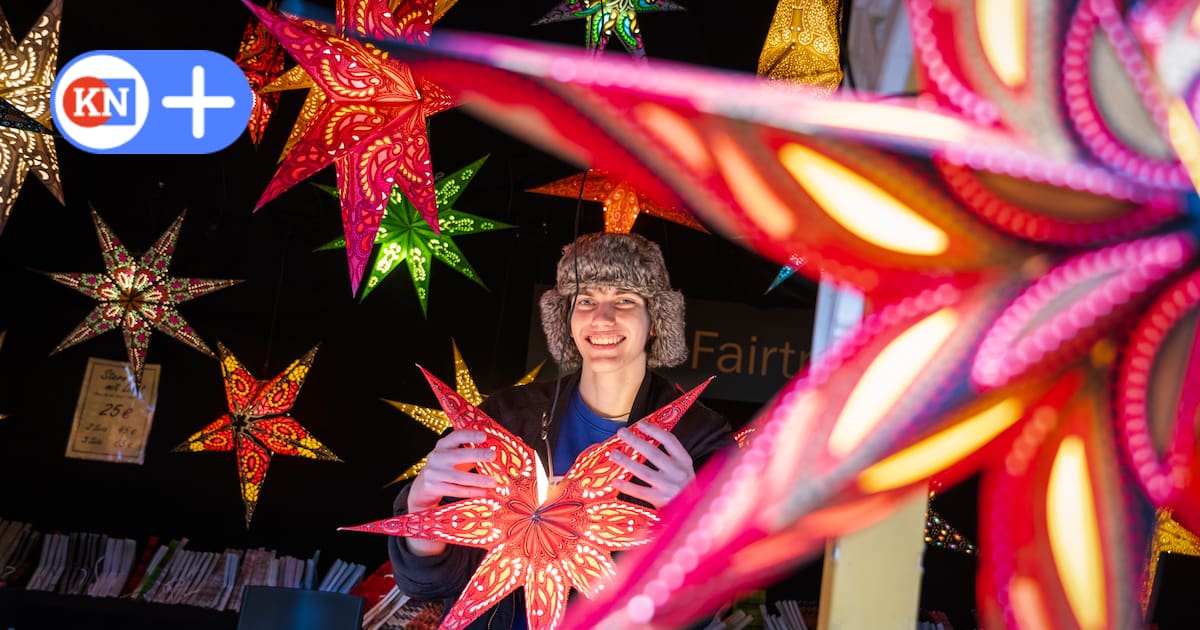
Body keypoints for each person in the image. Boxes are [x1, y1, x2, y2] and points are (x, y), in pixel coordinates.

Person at [388, 232, 733, 629]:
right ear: (566, 320)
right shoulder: (505, 417)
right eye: (585, 300)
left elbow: (704, 607)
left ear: (655, 319)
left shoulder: (699, 439)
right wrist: (421, 508)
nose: (602, 317)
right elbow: (429, 583)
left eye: (624, 299)